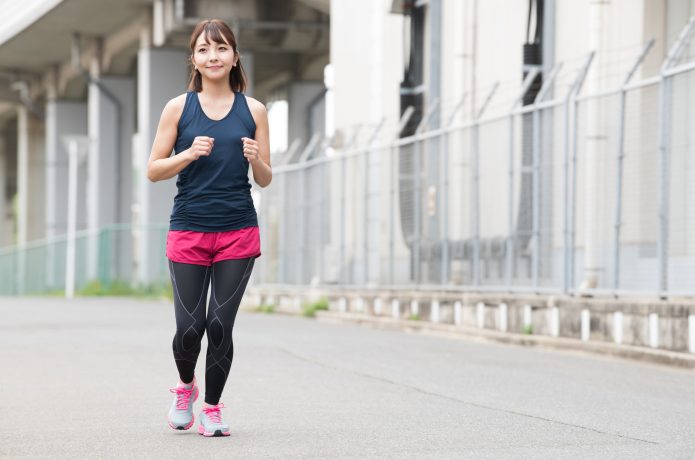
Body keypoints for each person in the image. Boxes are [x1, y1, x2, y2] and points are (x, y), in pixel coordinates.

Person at [147, 18, 271, 437]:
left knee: (219, 324)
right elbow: (153, 170)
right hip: (189, 231)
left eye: (221, 49)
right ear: (194, 59)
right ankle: (185, 388)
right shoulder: (178, 108)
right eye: (204, 49)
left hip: (237, 230)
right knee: (189, 329)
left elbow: (267, 176)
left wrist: (256, 159)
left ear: (234, 57)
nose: (212, 56)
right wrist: (187, 155)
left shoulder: (253, 110)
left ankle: (212, 409)